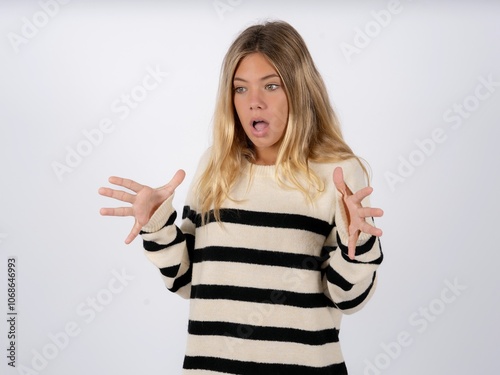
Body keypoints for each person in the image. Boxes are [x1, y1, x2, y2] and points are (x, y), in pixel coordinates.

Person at [99, 20, 384, 375]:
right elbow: (187, 282)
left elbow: (349, 298)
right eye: (241, 89)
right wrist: (157, 225)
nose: (255, 103)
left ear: (299, 89)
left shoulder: (337, 173)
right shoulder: (216, 167)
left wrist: (355, 244)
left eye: (271, 85)